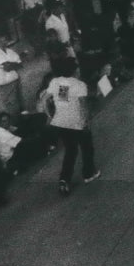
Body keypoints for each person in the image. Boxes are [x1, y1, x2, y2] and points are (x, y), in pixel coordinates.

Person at [45, 57, 99, 196]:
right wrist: (86, 120)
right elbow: (82, 105)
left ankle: (64, 179)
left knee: (70, 150)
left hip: (61, 123)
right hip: (77, 122)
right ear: (74, 70)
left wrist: (50, 116)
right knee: (87, 147)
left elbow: (57, 100)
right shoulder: (80, 84)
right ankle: (88, 174)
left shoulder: (57, 82)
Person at [0, 34, 24, 114]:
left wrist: (12, 64)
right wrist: (14, 64)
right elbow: (7, 67)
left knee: (20, 101)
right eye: (2, 41)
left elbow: (20, 64)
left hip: (15, 79)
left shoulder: (10, 51)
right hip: (5, 83)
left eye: (5, 40)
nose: (4, 42)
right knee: (11, 104)